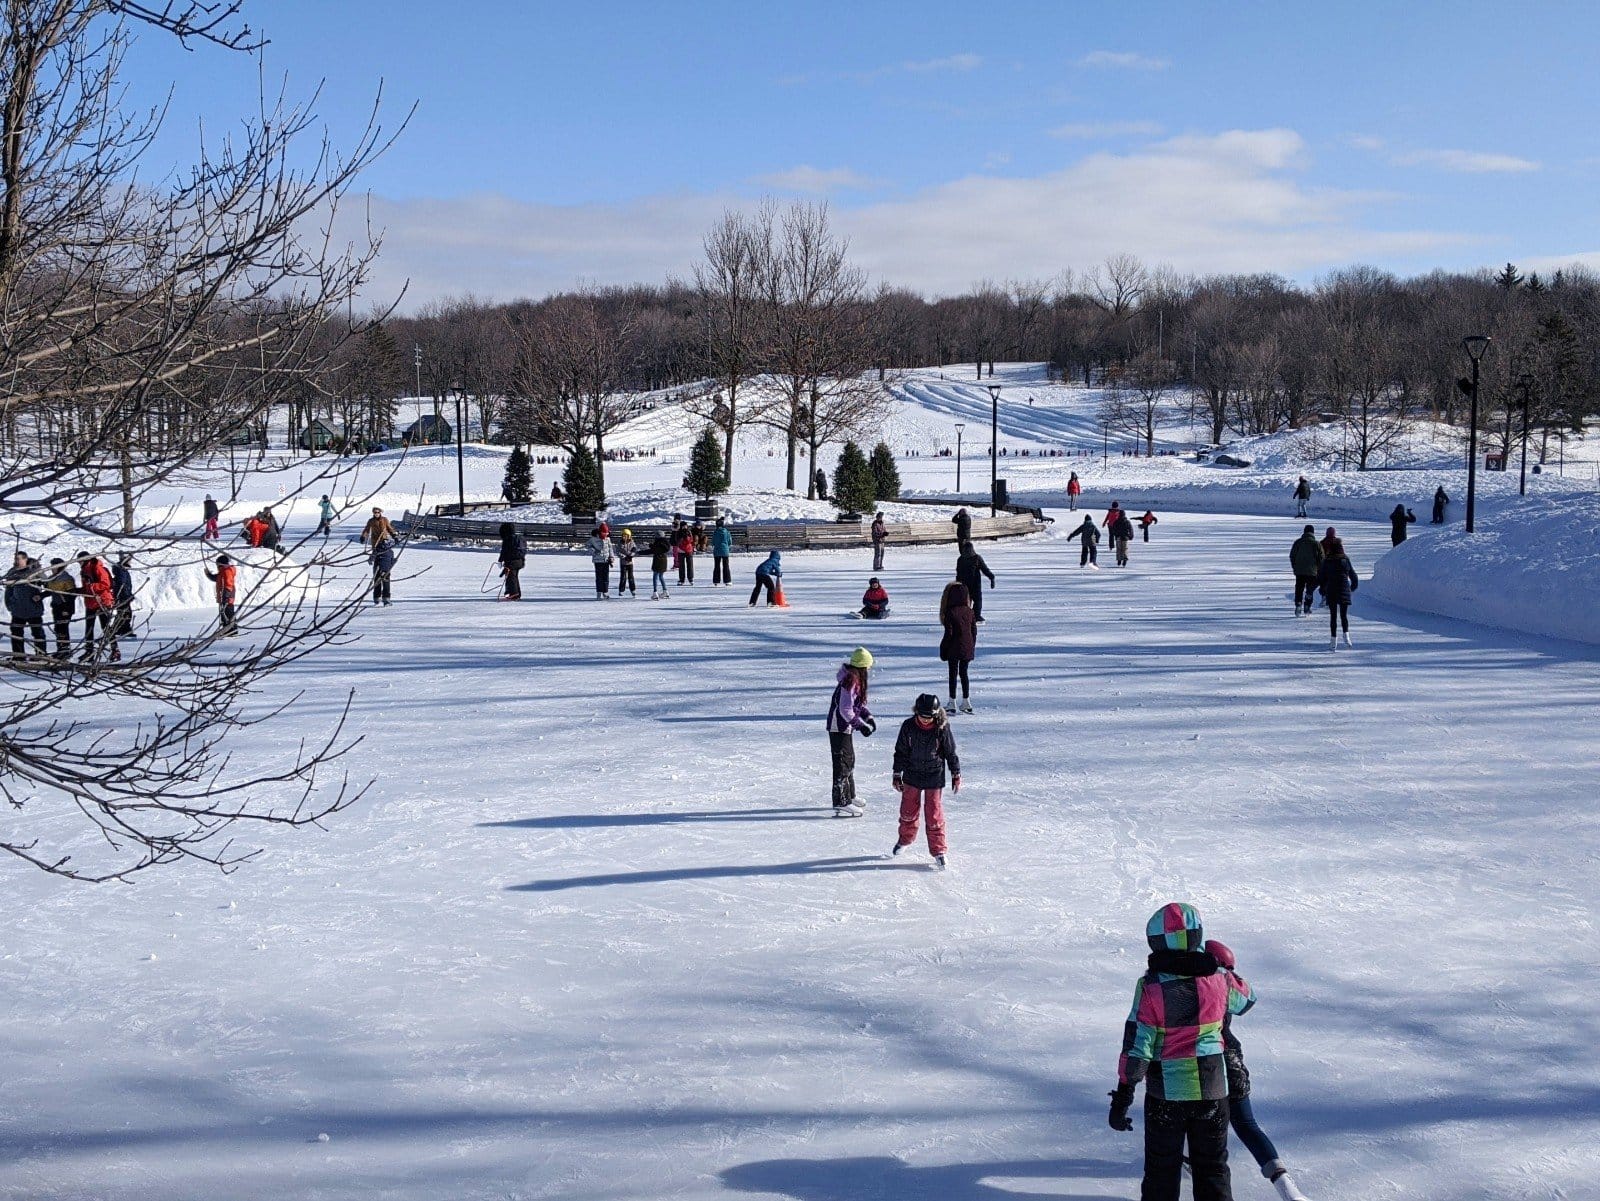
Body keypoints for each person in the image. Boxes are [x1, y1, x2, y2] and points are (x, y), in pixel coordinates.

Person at [1108, 902, 1255, 1201]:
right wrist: (1223, 967)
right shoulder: (1220, 980)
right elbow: (1248, 1000)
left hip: (1167, 1095)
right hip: (1213, 1090)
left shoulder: (1151, 988)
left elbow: (1138, 1045)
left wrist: (1124, 1095)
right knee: (1212, 1169)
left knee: (1161, 1172)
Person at [1205, 939, 1312, 1201]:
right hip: (1232, 1060)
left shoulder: (1195, 985)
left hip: (1204, 1065)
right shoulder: (1224, 985)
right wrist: (1229, 974)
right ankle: (1287, 1187)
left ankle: (1190, 1161)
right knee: (1247, 1125)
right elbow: (1249, 999)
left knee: (1200, 1124)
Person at [890, 693, 960, 868]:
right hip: (912, 774)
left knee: (934, 814)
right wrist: (897, 773)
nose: (926, 720)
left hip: (934, 775)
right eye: (923, 716)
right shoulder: (908, 726)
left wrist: (955, 773)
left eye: (930, 717)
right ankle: (905, 839)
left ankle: (938, 850)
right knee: (907, 811)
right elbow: (901, 751)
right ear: (916, 712)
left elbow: (950, 752)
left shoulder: (942, 728)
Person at [824, 647, 875, 815]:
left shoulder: (854, 680)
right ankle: (840, 800)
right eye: (868, 666)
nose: (869, 669)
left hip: (845, 728)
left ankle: (850, 796)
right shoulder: (850, 681)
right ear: (862, 667)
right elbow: (845, 710)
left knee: (849, 761)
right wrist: (859, 726)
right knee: (842, 764)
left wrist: (868, 718)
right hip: (838, 727)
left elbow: (857, 705)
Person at [938, 581, 976, 713]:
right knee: (964, 673)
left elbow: (949, 633)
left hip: (953, 647)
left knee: (953, 674)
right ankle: (966, 701)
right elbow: (973, 631)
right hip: (967, 646)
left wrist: (943, 649)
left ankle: (952, 701)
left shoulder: (950, 612)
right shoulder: (970, 612)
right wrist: (971, 646)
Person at [4, 552, 47, 661]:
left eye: (19, 559)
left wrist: (40, 596)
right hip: (18, 609)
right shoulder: (13, 571)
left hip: (34, 609)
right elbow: (8, 590)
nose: (17, 561)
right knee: (16, 633)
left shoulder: (34, 571)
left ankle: (40, 655)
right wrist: (10, 605)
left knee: (37, 632)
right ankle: (19, 656)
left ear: (25, 559)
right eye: (15, 559)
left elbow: (48, 584)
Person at [1317, 537, 1358, 649]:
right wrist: (1352, 587)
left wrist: (1322, 589)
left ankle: (1333, 640)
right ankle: (1346, 636)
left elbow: (1322, 577)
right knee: (1344, 615)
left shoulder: (1327, 561)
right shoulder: (1345, 560)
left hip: (1331, 590)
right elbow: (1353, 576)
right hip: (1344, 589)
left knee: (1333, 616)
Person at [76, 552, 118, 661]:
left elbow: (106, 584)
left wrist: (91, 586)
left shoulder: (97, 568)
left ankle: (115, 650)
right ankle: (89, 652)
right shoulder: (85, 569)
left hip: (102, 602)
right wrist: (79, 590)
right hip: (91, 602)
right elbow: (88, 588)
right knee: (89, 628)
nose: (78, 563)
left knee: (106, 628)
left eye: (79, 560)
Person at [955, 540, 995, 623]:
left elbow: (958, 573)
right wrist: (991, 577)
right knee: (977, 601)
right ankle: (976, 616)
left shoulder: (960, 559)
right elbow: (985, 569)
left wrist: (957, 584)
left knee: (965, 601)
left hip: (964, 584)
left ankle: (965, 616)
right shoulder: (977, 558)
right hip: (975, 584)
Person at [44, 558, 76, 659]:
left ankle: (65, 650)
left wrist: (67, 609)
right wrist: (40, 596)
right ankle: (61, 649)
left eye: (54, 566)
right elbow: (50, 591)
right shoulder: (52, 578)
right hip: (56, 606)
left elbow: (71, 595)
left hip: (65, 607)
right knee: (58, 629)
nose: (52, 569)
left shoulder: (66, 578)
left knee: (63, 628)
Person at [1289, 524, 1324, 617]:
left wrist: (1295, 566)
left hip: (1299, 571)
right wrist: (1319, 568)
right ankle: (1307, 606)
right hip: (1312, 571)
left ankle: (1298, 604)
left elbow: (1292, 555)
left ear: (1304, 532)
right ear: (1313, 532)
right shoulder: (1316, 544)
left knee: (1299, 588)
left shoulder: (1298, 542)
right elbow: (1321, 558)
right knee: (1309, 590)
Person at [204, 553, 239, 635]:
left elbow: (228, 584)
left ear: (220, 564)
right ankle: (226, 630)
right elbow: (216, 578)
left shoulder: (227, 571)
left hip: (227, 596)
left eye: (217, 564)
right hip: (223, 595)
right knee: (224, 614)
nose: (217, 566)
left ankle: (232, 631)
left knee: (228, 613)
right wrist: (208, 574)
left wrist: (226, 596)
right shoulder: (222, 571)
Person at [497, 521, 526, 601]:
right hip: (520, 561)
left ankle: (514, 594)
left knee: (511, 577)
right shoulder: (519, 538)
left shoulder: (507, 539)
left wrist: (500, 561)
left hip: (511, 561)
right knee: (514, 577)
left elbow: (504, 551)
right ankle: (516, 593)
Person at [585, 526, 614, 599]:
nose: (605, 534)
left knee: (606, 577)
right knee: (599, 577)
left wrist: (611, 557)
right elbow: (587, 545)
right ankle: (599, 592)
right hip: (597, 560)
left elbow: (610, 548)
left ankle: (605, 591)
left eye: (606, 533)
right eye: (604, 533)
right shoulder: (593, 539)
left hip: (606, 560)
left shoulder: (608, 539)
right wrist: (593, 551)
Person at [111, 555, 135, 638]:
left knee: (124, 613)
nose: (131, 562)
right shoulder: (121, 571)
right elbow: (122, 585)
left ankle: (119, 629)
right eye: (129, 560)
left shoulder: (123, 571)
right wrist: (127, 595)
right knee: (124, 613)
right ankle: (120, 630)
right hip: (122, 596)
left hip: (124, 595)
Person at [710, 516, 733, 585]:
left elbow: (713, 542)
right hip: (725, 551)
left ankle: (716, 581)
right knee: (726, 566)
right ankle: (727, 580)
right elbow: (730, 542)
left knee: (717, 566)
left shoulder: (715, 532)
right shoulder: (727, 532)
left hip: (717, 551)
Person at [650, 531, 672, 599]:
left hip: (657, 560)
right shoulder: (666, 543)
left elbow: (654, 550)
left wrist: (639, 552)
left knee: (655, 576)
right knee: (661, 576)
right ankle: (665, 591)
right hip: (664, 560)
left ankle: (655, 592)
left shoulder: (658, 542)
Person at [616, 529, 638, 597]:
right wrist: (624, 557)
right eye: (623, 536)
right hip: (623, 563)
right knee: (623, 577)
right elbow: (618, 552)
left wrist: (631, 555)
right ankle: (621, 590)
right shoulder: (620, 543)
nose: (624, 537)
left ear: (629, 536)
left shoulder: (632, 542)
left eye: (626, 536)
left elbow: (634, 550)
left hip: (630, 563)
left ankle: (633, 590)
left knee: (631, 577)